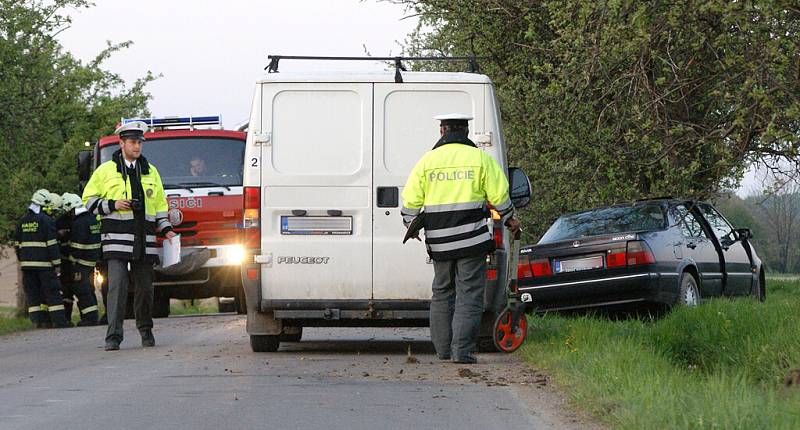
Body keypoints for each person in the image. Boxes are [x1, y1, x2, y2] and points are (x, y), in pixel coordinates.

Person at [401, 113, 521, 364]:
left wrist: (409, 225)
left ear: (442, 132)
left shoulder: (427, 162)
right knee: (469, 294)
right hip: (471, 241)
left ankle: (443, 351)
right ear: (466, 133)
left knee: (442, 292)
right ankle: (462, 352)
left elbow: (411, 200)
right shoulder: (480, 159)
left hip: (440, 242)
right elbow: (500, 196)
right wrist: (510, 220)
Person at [82, 121, 176, 351]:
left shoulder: (151, 171)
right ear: (121, 143)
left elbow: (160, 206)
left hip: (145, 241)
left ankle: (146, 331)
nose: (137, 147)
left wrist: (167, 229)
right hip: (116, 240)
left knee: (146, 289)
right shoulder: (105, 170)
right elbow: (88, 200)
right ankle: (113, 337)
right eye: (133, 142)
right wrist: (113, 204)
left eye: (140, 143)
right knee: (117, 288)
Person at [13, 189, 69, 328]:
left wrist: (23, 260)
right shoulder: (46, 221)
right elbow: (52, 245)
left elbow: (17, 245)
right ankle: (59, 322)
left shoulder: (22, 221)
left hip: (27, 266)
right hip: (45, 266)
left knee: (33, 295)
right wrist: (57, 264)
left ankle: (38, 323)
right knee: (52, 293)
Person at [61, 193, 100, 326]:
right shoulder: (92, 219)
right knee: (89, 289)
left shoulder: (78, 223)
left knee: (82, 290)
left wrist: (70, 260)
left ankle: (89, 319)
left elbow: (77, 247)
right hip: (92, 262)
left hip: (81, 263)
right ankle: (93, 316)